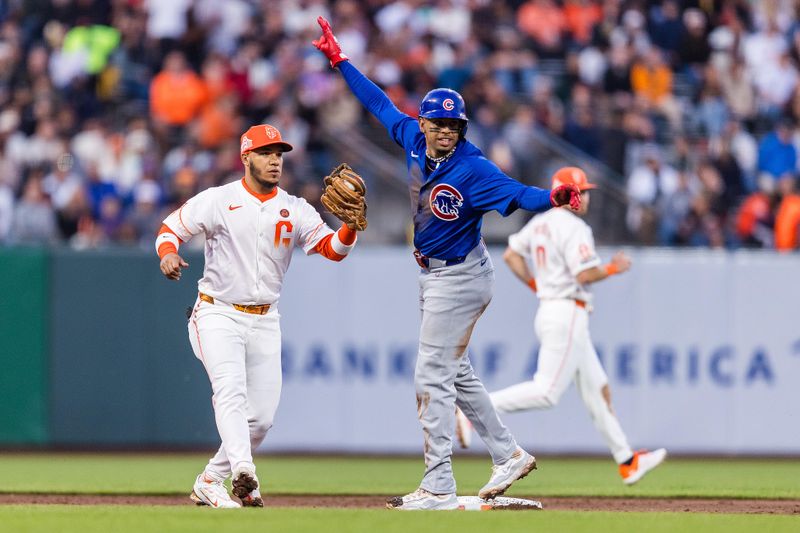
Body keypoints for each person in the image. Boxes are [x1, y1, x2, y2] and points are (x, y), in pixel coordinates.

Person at [312, 17, 581, 510]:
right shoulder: (413, 138)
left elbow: (522, 194)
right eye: (437, 123)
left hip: (461, 275)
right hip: (435, 274)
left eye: (453, 125)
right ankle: (508, 454)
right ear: (426, 123)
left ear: (461, 129)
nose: (443, 132)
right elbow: (377, 103)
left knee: (429, 376)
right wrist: (341, 62)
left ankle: (438, 484)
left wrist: (557, 196)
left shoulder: (474, 168)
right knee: (455, 374)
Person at [156, 124, 363, 509]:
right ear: (245, 157)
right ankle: (244, 476)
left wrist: (349, 227)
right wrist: (168, 252)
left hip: (266, 318)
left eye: (279, 154)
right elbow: (170, 228)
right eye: (266, 153)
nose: (274, 160)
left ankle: (210, 480)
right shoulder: (219, 199)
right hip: (217, 312)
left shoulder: (295, 207)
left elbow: (332, 250)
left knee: (262, 420)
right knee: (230, 391)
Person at [455, 167, 667, 486]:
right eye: (582, 191)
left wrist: (536, 285)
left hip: (553, 309)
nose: (586, 197)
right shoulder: (575, 227)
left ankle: (627, 461)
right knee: (547, 392)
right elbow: (583, 274)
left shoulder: (541, 222)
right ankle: (474, 411)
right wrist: (611, 267)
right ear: (570, 195)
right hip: (567, 312)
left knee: (598, 390)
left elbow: (512, 255)